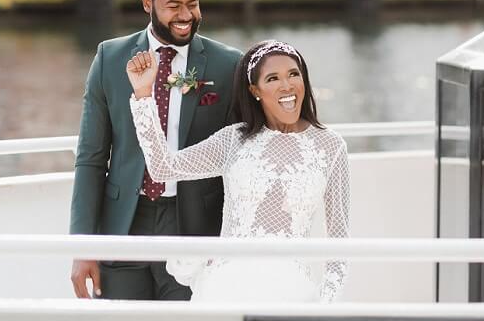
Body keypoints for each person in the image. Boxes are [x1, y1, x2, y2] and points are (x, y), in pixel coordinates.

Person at [126, 39, 350, 303]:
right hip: (228, 283)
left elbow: (340, 241)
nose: (287, 85)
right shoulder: (234, 140)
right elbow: (163, 168)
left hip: (293, 289)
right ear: (255, 90)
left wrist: (325, 305)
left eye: (293, 74)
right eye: (273, 78)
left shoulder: (331, 147)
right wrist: (143, 94)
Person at [70, 0, 242, 300]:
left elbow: (238, 155)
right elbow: (91, 157)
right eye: (173, 5)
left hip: (193, 226)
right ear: (148, 3)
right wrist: (83, 245)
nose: (185, 15)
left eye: (193, 4)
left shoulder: (228, 64)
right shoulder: (110, 59)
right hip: (124, 223)